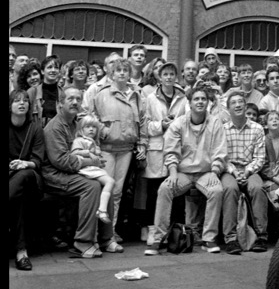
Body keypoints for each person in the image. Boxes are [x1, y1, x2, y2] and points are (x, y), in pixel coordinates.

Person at [144, 84, 227, 255]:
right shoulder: (179, 123)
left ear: (208, 103)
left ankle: (209, 239)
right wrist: (173, 172)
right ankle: (158, 239)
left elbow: (220, 151)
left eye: (203, 99)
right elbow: (171, 151)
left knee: (216, 190)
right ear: (189, 102)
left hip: (206, 172)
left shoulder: (215, 123)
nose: (200, 102)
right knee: (165, 188)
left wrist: (215, 171)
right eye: (196, 99)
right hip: (183, 173)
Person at [42, 87, 118, 257]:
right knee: (91, 187)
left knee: (106, 182)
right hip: (55, 175)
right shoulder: (54, 127)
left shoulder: (77, 124)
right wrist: (91, 161)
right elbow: (61, 161)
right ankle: (83, 241)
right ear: (60, 103)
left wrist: (95, 158)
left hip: (75, 171)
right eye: (70, 99)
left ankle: (105, 238)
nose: (75, 102)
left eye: (78, 99)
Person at [88, 56, 147, 233]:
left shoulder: (137, 95)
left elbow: (143, 120)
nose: (121, 73)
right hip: (106, 148)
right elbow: (89, 116)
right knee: (105, 189)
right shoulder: (102, 94)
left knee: (118, 192)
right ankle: (97, 233)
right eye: (118, 70)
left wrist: (142, 144)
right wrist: (102, 131)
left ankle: (110, 233)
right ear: (112, 74)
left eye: (125, 70)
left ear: (129, 74)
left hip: (126, 149)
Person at [140, 61, 188, 241]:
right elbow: (145, 125)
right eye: (165, 74)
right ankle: (152, 229)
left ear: (176, 77)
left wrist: (176, 125)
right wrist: (162, 125)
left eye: (171, 74)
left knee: (176, 190)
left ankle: (175, 231)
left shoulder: (183, 98)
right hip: (157, 149)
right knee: (155, 191)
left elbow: (187, 122)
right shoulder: (151, 98)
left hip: (176, 149)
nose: (168, 77)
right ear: (159, 77)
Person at [221, 91, 269, 254]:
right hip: (230, 170)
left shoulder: (257, 128)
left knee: (257, 188)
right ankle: (231, 238)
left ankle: (261, 236)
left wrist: (247, 172)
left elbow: (260, 158)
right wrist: (235, 172)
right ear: (228, 109)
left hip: (250, 169)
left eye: (240, 102)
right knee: (230, 188)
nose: (238, 105)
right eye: (233, 103)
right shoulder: (223, 129)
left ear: (245, 105)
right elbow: (222, 158)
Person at [9, 89, 45, 270]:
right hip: (12, 181)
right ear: (10, 106)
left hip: (31, 179)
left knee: (23, 175)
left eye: (25, 100)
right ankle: (21, 252)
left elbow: (38, 161)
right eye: (17, 100)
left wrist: (25, 164)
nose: (22, 103)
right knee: (18, 201)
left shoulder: (35, 128)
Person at [70, 115, 116, 224]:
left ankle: (102, 210)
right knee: (110, 181)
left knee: (109, 183)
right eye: (88, 127)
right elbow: (74, 153)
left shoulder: (94, 142)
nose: (91, 129)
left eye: (94, 127)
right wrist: (88, 153)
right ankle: (102, 210)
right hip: (86, 168)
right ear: (81, 129)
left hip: (94, 168)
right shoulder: (79, 140)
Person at [27, 54, 62, 126]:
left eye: (56, 68)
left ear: (59, 71)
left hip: (57, 131)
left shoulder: (64, 93)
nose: (53, 70)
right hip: (37, 131)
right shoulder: (32, 92)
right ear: (42, 71)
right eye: (49, 67)